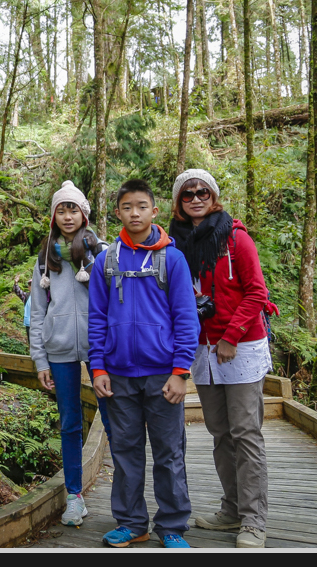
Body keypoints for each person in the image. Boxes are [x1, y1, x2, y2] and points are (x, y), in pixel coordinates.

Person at [88, 178, 199, 549]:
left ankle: (172, 526)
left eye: (141, 206)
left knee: (169, 454)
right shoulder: (107, 260)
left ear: (154, 211)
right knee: (125, 452)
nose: (134, 213)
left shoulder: (174, 258)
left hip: (162, 376)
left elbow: (186, 318)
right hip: (118, 376)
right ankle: (133, 523)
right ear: (117, 212)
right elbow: (97, 319)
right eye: (126, 207)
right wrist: (98, 368)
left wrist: (181, 372)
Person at [168, 168, 272, 549]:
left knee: (246, 433)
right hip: (201, 349)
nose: (196, 198)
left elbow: (256, 293)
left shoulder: (235, 239)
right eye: (187, 194)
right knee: (220, 433)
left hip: (240, 346)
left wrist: (230, 337)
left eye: (203, 192)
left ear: (214, 196)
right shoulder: (174, 245)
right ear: (179, 203)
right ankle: (231, 509)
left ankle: (254, 520)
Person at [28, 180, 107, 527]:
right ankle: (74, 496)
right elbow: (37, 311)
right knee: (71, 423)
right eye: (62, 209)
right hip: (58, 349)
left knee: (115, 418)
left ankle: (127, 495)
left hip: (100, 348)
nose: (67, 215)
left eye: (73, 208)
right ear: (53, 216)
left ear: (84, 214)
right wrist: (39, 359)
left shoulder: (100, 252)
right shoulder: (45, 259)